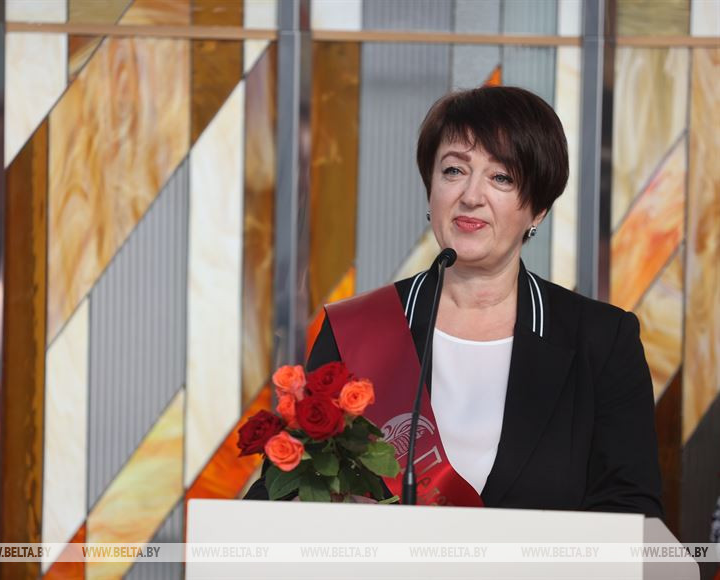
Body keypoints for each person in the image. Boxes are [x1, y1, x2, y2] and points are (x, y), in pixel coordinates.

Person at [245, 86, 663, 518]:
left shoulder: (601, 340)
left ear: (537, 209)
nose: (471, 196)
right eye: (453, 170)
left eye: (501, 177)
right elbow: (279, 492)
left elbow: (632, 511)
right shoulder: (359, 329)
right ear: (431, 188)